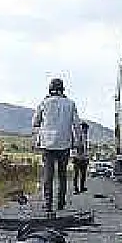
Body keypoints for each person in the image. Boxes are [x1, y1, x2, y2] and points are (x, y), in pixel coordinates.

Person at [31, 78, 80, 212]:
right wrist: (78, 142)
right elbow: (76, 125)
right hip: (64, 144)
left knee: (48, 175)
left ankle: (48, 204)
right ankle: (60, 202)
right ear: (63, 89)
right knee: (62, 175)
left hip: (47, 144)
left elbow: (35, 122)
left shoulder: (44, 103)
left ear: (50, 89)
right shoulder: (70, 104)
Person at [71, 122, 90, 195]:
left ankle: (81, 187)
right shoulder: (78, 136)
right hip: (78, 158)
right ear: (82, 128)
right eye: (85, 129)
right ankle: (75, 188)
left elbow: (85, 148)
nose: (86, 130)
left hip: (83, 158)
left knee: (82, 174)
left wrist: (87, 157)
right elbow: (78, 146)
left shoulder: (85, 136)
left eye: (86, 129)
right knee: (76, 174)